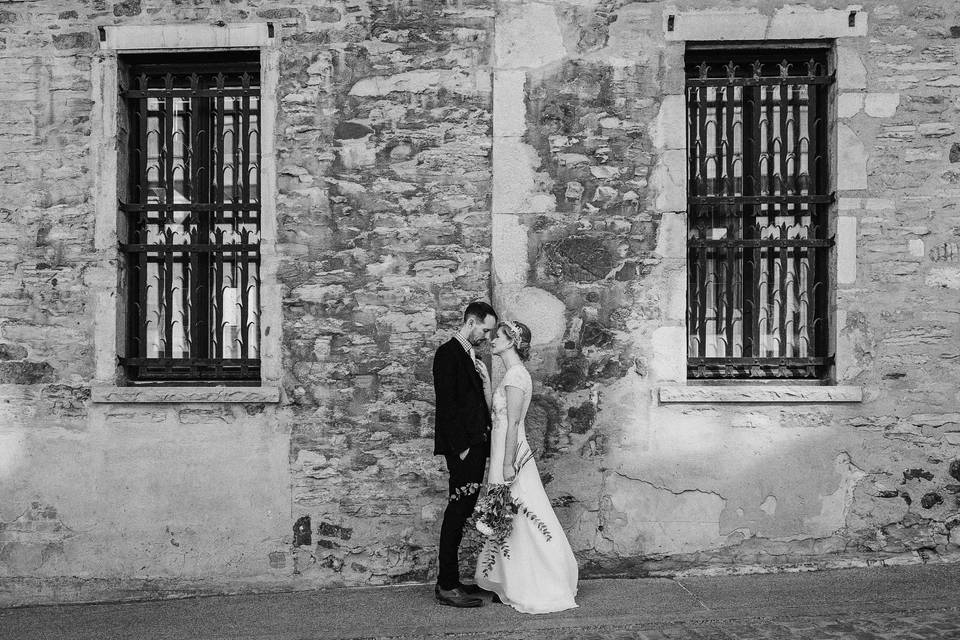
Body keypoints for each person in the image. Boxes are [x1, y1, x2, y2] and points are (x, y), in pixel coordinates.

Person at [475, 320, 579, 614]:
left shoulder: (516, 376)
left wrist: (508, 463)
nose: (492, 340)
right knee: (510, 515)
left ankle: (538, 581)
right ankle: (508, 578)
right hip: (502, 451)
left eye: (497, 336)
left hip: (510, 453)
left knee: (522, 515)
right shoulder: (512, 375)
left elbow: (514, 424)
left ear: (511, 342)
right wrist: (485, 386)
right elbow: (498, 416)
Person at [432, 300, 498, 607]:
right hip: (463, 450)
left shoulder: (470, 355)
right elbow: (447, 406)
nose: (486, 336)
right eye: (485, 330)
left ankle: (453, 580)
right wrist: (461, 449)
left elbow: (470, 404)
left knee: (463, 512)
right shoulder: (448, 354)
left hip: (475, 446)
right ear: (471, 322)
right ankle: (446, 585)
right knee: (456, 512)